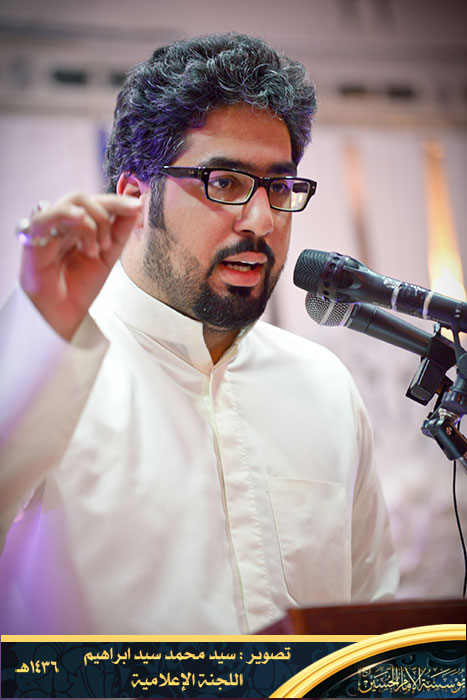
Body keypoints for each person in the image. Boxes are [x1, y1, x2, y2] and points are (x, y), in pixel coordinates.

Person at [0, 32, 398, 634]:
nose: (261, 220)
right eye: (225, 182)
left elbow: (374, 628)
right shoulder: (42, 365)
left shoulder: (324, 386)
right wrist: (38, 333)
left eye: (279, 187)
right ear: (135, 198)